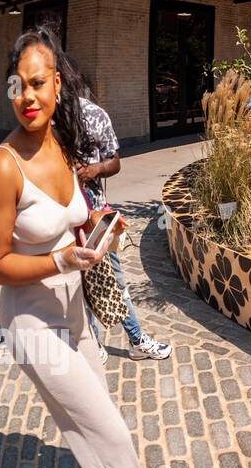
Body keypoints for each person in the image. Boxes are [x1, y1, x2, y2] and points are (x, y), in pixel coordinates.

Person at [0, 26, 175, 468]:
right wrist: (61, 260)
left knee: (96, 415)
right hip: (31, 323)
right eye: (17, 85)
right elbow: (0, 266)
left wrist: (98, 225)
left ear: (57, 87)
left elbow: (75, 215)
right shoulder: (3, 167)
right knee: (108, 428)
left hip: (75, 311)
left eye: (38, 83)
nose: (27, 96)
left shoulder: (63, 148)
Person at [66, 59, 172, 362]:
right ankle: (95, 345)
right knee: (78, 285)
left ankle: (136, 340)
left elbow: (115, 162)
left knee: (114, 281)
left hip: (96, 217)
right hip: (64, 218)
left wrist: (92, 170)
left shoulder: (95, 115)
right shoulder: (50, 120)